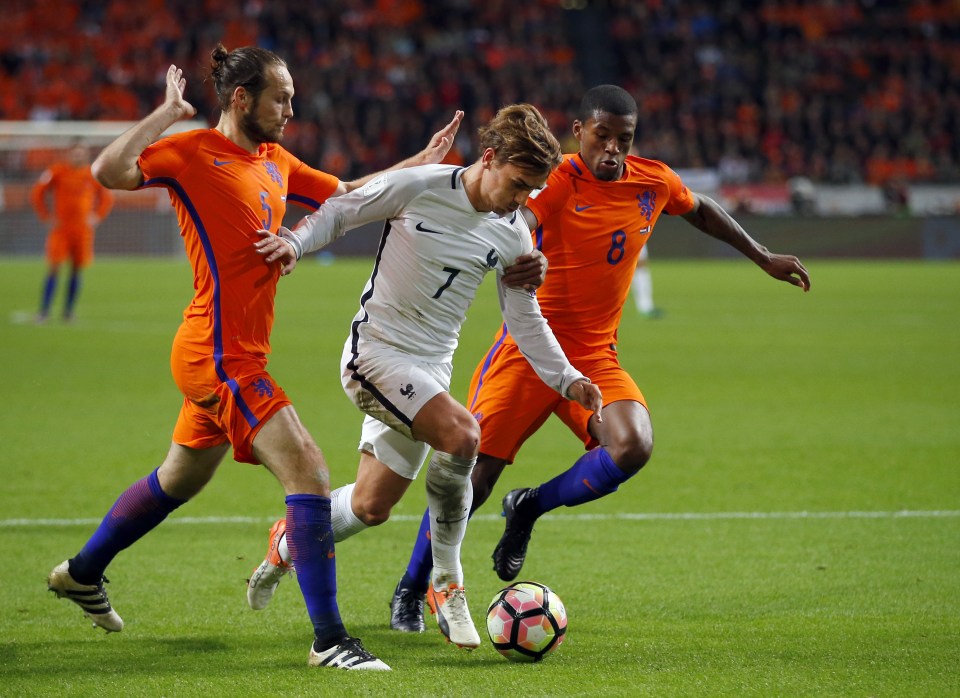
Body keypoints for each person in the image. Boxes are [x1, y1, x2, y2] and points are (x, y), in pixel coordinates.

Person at [46, 44, 465, 672]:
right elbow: (110, 170)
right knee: (312, 474)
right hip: (218, 354)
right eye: (281, 98)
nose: (291, 109)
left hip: (232, 351)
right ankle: (330, 642)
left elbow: (348, 194)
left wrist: (417, 165)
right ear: (242, 99)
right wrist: (167, 114)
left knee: (177, 480)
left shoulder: (275, 159)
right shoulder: (190, 154)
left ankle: (80, 573)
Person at [370, 84, 808, 631]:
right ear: (579, 132)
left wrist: (762, 256)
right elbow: (517, 223)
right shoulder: (555, 181)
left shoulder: (653, 180)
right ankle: (412, 589)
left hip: (595, 356)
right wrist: (522, 257)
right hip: (528, 351)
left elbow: (701, 210)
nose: (612, 149)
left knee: (632, 445)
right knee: (473, 478)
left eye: (623, 139)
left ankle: (529, 507)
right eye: (602, 136)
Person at [248, 103, 604, 649]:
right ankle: (446, 581)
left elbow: (523, 317)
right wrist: (294, 242)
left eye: (533, 190)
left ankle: (288, 542)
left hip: (430, 372)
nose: (523, 200)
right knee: (464, 435)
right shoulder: (420, 187)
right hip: (376, 355)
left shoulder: (513, 235)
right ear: (489, 159)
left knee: (371, 506)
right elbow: (342, 210)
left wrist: (568, 378)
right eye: (517, 184)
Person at [30, 141, 114, 323]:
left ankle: (68, 312)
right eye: (75, 153)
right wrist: (46, 216)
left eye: (81, 153)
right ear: (70, 154)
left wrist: (97, 217)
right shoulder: (57, 171)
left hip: (82, 231)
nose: (78, 156)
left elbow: (106, 198)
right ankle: (44, 312)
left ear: (85, 155)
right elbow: (37, 192)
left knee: (76, 270)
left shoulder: (92, 174)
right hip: (61, 229)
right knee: (54, 268)